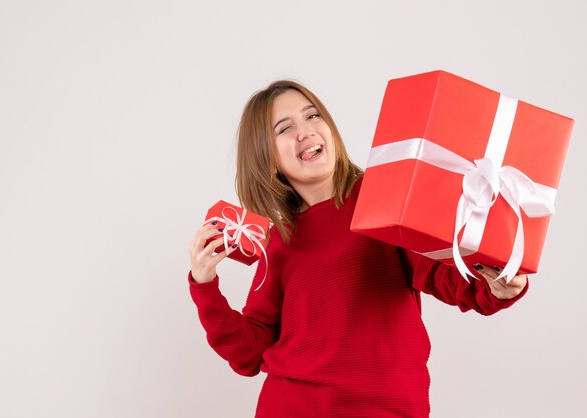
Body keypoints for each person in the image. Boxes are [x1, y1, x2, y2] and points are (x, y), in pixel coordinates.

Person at [187, 80, 528, 418]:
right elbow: (249, 353)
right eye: (284, 128)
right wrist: (204, 286)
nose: (305, 131)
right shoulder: (279, 241)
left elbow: (445, 275)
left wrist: (498, 286)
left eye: (312, 116)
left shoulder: (386, 200)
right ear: (269, 160)